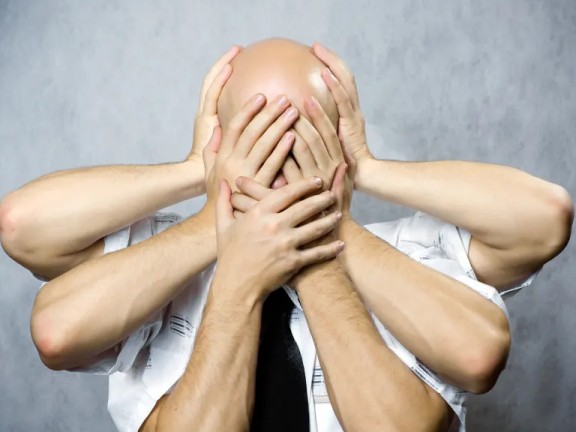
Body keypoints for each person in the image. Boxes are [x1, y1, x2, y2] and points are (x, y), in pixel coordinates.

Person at [0, 38, 572, 432]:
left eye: (302, 140)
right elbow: (25, 230)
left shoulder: (410, 255)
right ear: (221, 142)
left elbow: (544, 218)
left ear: (338, 142)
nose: (281, 165)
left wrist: (362, 180)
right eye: (259, 135)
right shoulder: (162, 262)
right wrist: (201, 192)